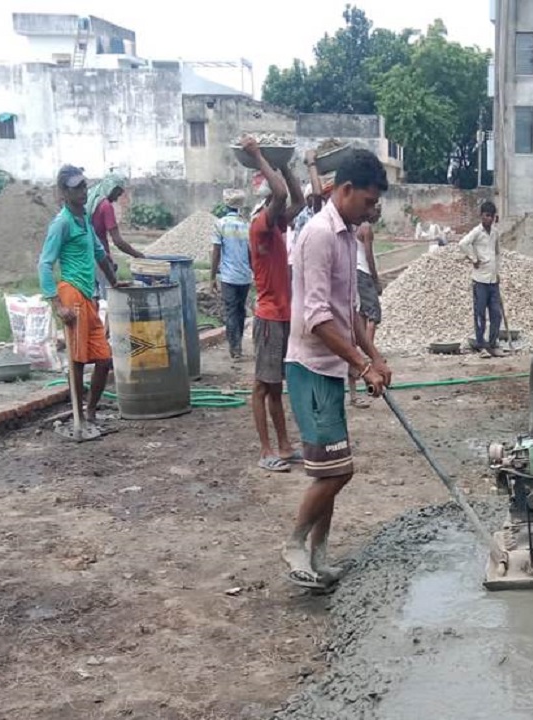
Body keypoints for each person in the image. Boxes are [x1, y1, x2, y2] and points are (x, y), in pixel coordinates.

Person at [282, 149, 391, 589]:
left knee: (333, 469)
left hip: (332, 369)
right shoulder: (319, 235)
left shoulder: (347, 236)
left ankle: (320, 557)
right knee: (338, 471)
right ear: (345, 190)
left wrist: (375, 357)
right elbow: (317, 319)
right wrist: (363, 365)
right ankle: (294, 544)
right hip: (309, 367)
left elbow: (347, 312)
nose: (371, 212)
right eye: (367, 202)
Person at [238, 136, 306, 473]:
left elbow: (299, 199)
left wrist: (285, 165)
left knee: (276, 386)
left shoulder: (276, 228)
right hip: (268, 317)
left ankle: (284, 445)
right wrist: (259, 156)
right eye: (271, 209)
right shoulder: (259, 229)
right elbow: (280, 195)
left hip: (281, 316)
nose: (279, 211)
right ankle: (266, 450)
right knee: (262, 386)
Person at [38, 165, 123, 433]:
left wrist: (116, 283)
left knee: (104, 358)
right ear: (64, 192)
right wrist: (57, 305)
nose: (83, 192)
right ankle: (79, 418)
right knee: (77, 359)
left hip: (89, 295)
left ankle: (91, 411)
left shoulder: (83, 218)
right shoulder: (61, 223)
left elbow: (99, 252)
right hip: (71, 293)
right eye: (76, 188)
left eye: (84, 186)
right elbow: (44, 264)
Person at [85, 173, 145, 299]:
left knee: (93, 299)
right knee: (108, 301)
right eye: (118, 191)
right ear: (111, 187)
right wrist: (138, 255)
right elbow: (118, 241)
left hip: (85, 257)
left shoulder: (92, 199)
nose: (118, 196)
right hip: (100, 258)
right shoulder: (106, 206)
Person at [211, 188, 253, 359]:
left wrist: (212, 276)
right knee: (240, 310)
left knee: (230, 311)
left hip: (228, 277)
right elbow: (251, 252)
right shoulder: (247, 225)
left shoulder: (220, 224)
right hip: (244, 276)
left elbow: (216, 252)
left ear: (225, 204)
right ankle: (239, 345)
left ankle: (234, 348)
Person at [459, 201, 504, 357]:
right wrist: (474, 258)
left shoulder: (495, 233)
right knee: (480, 314)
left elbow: (497, 252)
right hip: (480, 281)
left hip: (493, 280)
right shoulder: (477, 232)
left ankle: (493, 343)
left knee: (496, 314)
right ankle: (481, 345)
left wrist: (497, 271)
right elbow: (463, 244)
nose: (489, 219)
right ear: (482, 216)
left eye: (492, 216)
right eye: (487, 216)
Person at [349, 203, 383, 408]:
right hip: (363, 272)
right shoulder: (366, 228)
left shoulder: (354, 227)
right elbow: (368, 255)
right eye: (375, 209)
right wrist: (376, 279)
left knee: (361, 316)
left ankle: (362, 349)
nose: (378, 214)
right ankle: (367, 351)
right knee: (374, 314)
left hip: (356, 272)